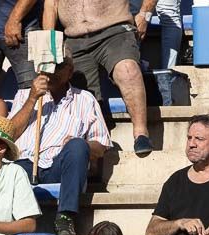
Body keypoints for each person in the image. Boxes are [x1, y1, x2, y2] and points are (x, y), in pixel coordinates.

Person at [7, 57, 111, 235]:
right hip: (24, 165)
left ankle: (65, 216)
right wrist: (32, 98)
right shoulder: (24, 95)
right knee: (8, 168)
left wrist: (82, 144)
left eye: (58, 67)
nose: (52, 71)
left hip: (60, 166)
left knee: (78, 145)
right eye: (48, 66)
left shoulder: (85, 99)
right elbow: (9, 135)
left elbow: (101, 145)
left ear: (70, 71)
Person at [42, 0, 153, 155]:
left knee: (127, 70)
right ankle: (92, 152)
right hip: (74, 37)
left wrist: (144, 14)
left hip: (115, 30)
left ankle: (141, 133)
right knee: (79, 95)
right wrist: (49, 43)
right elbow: (51, 5)